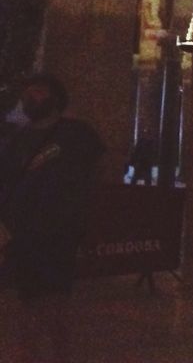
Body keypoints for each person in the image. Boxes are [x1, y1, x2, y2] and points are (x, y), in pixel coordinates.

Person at [0, 73, 105, 362]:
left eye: (39, 90)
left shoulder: (76, 134)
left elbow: (93, 177)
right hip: (22, 235)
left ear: (55, 97)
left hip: (59, 233)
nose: (30, 96)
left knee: (54, 302)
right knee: (28, 300)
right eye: (28, 90)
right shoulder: (16, 140)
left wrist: (89, 223)